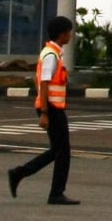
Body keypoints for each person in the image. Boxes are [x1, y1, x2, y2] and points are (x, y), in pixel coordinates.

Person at [7, 15, 77, 204]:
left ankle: (19, 173)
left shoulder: (52, 53)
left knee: (58, 150)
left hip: (52, 107)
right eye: (69, 31)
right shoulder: (51, 56)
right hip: (52, 109)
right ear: (62, 34)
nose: (71, 35)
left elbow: (39, 81)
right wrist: (44, 112)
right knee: (62, 152)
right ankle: (55, 193)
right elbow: (44, 83)